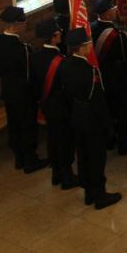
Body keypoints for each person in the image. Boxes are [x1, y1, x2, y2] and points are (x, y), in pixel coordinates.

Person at [57, 27, 121, 209]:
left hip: (76, 116)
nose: (90, 46)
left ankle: (89, 192)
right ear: (81, 47)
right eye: (88, 43)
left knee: (83, 155)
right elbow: (98, 101)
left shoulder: (64, 65)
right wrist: (107, 124)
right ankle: (99, 195)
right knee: (96, 157)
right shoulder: (89, 71)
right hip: (92, 119)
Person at [0, 6, 48, 173]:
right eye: (23, 22)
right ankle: (30, 160)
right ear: (17, 24)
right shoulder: (23, 49)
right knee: (28, 125)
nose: (25, 25)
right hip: (23, 93)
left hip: (8, 90)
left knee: (14, 124)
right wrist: (37, 95)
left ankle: (19, 158)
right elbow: (29, 75)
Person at [91, 0, 127, 156]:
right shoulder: (116, 35)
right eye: (113, 8)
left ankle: (110, 139)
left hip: (101, 79)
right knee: (122, 113)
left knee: (109, 110)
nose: (115, 10)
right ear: (106, 14)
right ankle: (125, 144)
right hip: (118, 79)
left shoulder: (91, 28)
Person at [30, 18, 76, 188]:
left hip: (46, 105)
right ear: (53, 37)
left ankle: (56, 174)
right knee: (64, 142)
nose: (61, 34)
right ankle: (67, 177)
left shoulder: (35, 57)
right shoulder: (59, 60)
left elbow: (34, 84)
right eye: (58, 33)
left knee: (53, 139)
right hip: (61, 106)